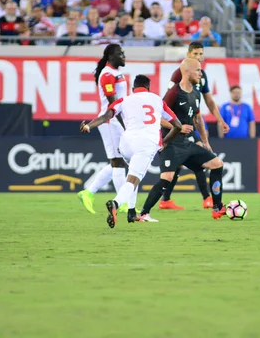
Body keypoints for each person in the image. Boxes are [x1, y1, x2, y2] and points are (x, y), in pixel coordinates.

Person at [80, 75, 183, 226]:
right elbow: (178, 125)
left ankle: (131, 212)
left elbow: (106, 116)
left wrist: (89, 126)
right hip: (147, 143)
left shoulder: (124, 100)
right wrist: (165, 143)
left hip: (126, 143)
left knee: (132, 174)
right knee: (133, 179)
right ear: (148, 88)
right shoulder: (157, 100)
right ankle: (116, 203)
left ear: (133, 89)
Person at [139, 58, 227, 220]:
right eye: (198, 70)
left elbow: (198, 119)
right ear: (187, 72)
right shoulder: (173, 93)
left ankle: (217, 207)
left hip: (187, 143)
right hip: (170, 143)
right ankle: (143, 213)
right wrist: (176, 126)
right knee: (167, 179)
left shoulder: (195, 93)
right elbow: (156, 116)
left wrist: (205, 142)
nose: (201, 74)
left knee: (217, 164)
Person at [160, 41, 230, 211]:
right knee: (199, 156)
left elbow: (209, 101)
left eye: (201, 54)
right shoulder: (178, 75)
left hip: (192, 123)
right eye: (195, 54)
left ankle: (167, 200)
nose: (199, 57)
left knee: (193, 158)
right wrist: (174, 126)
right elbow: (166, 104)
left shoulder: (201, 75)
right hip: (179, 126)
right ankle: (207, 198)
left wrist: (220, 120)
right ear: (188, 55)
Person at [77, 44, 129, 215]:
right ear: (110, 56)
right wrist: (126, 125)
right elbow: (114, 107)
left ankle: (88, 192)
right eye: (120, 53)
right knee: (118, 162)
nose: (124, 55)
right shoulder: (107, 75)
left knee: (117, 162)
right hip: (111, 122)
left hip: (116, 121)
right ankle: (123, 203)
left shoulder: (113, 73)